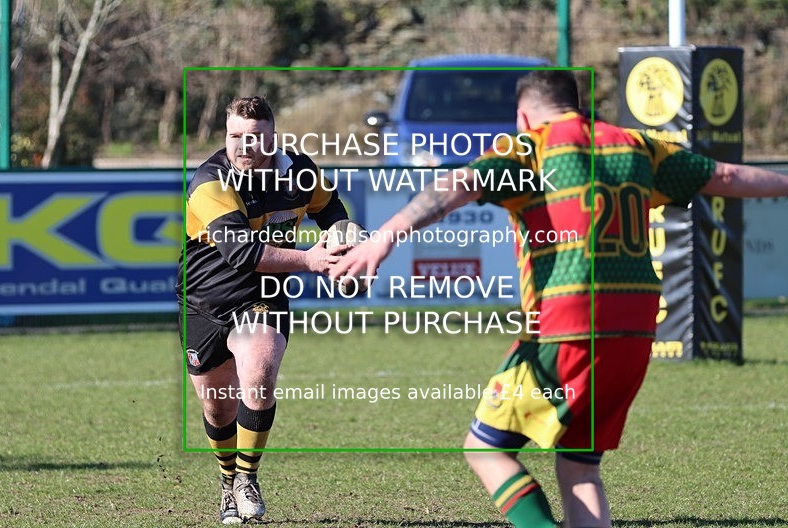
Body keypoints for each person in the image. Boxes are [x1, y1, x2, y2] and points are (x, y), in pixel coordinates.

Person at [330, 70, 788, 528]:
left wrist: (384, 237)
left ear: (523, 114)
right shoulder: (638, 144)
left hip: (568, 319)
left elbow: (457, 184)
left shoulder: (532, 146)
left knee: (486, 448)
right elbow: (725, 174)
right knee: (580, 465)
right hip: (637, 324)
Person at [176, 96, 349, 524]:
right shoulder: (210, 181)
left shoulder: (300, 172)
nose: (244, 146)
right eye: (235, 136)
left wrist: (348, 241)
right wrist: (312, 260)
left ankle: (247, 478)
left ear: (274, 138)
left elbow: (331, 211)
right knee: (217, 407)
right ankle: (227, 480)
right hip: (203, 301)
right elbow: (240, 251)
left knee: (260, 365)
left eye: (254, 138)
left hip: (263, 294)